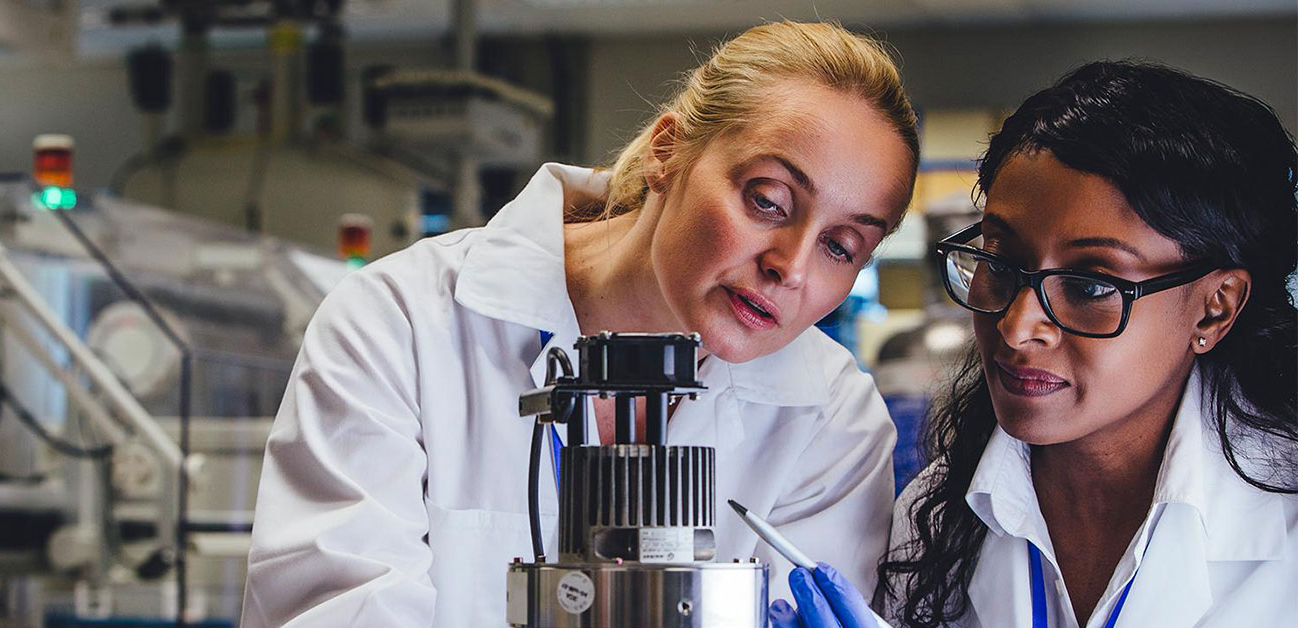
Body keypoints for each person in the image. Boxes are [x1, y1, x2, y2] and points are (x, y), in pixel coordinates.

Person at [241, 20, 921, 627]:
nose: (791, 267)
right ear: (667, 153)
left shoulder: (831, 420)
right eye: (767, 200)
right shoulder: (405, 323)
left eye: (841, 247)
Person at [770, 60, 1297, 628]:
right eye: (999, 262)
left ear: (1215, 307)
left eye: (1091, 284)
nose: (1017, 327)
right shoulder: (935, 514)